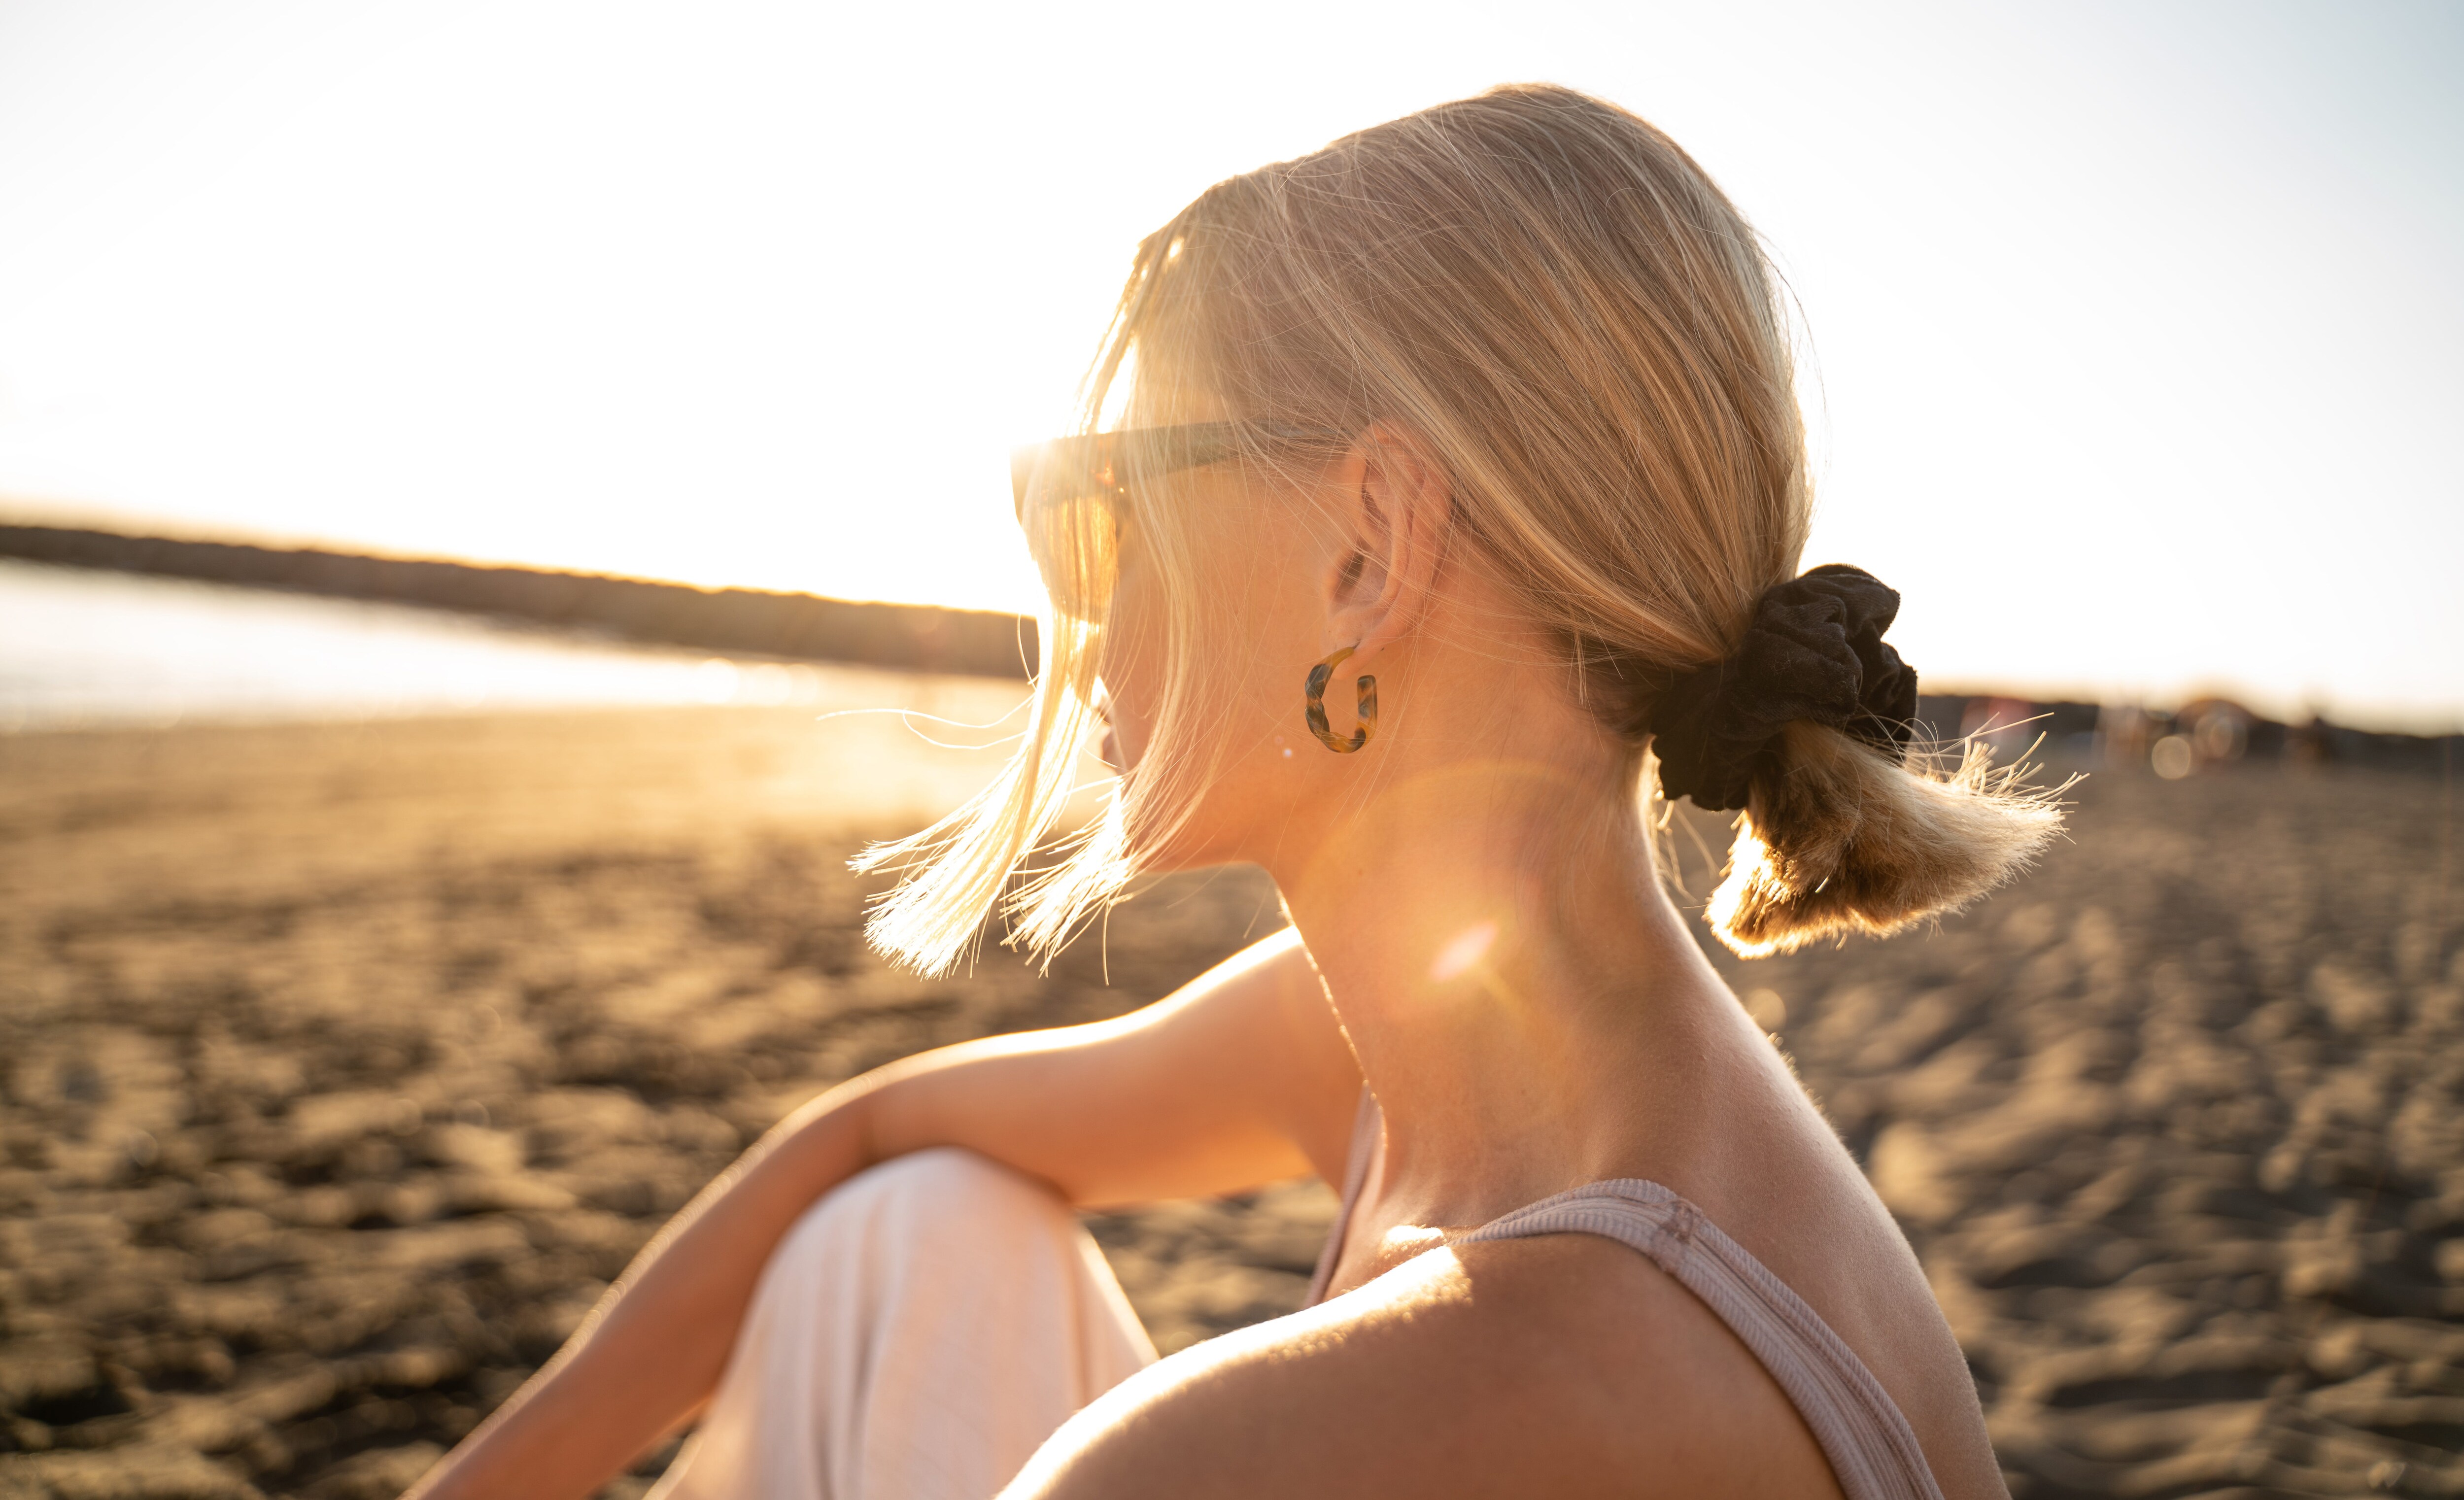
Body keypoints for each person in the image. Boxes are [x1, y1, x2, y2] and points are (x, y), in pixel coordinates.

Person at [408, 84, 2060, 1500]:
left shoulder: (1556, 1358)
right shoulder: (1443, 1043)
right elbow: (872, 1133)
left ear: (1369, 551)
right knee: (907, 1231)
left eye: (1111, 510)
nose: (1081, 610)